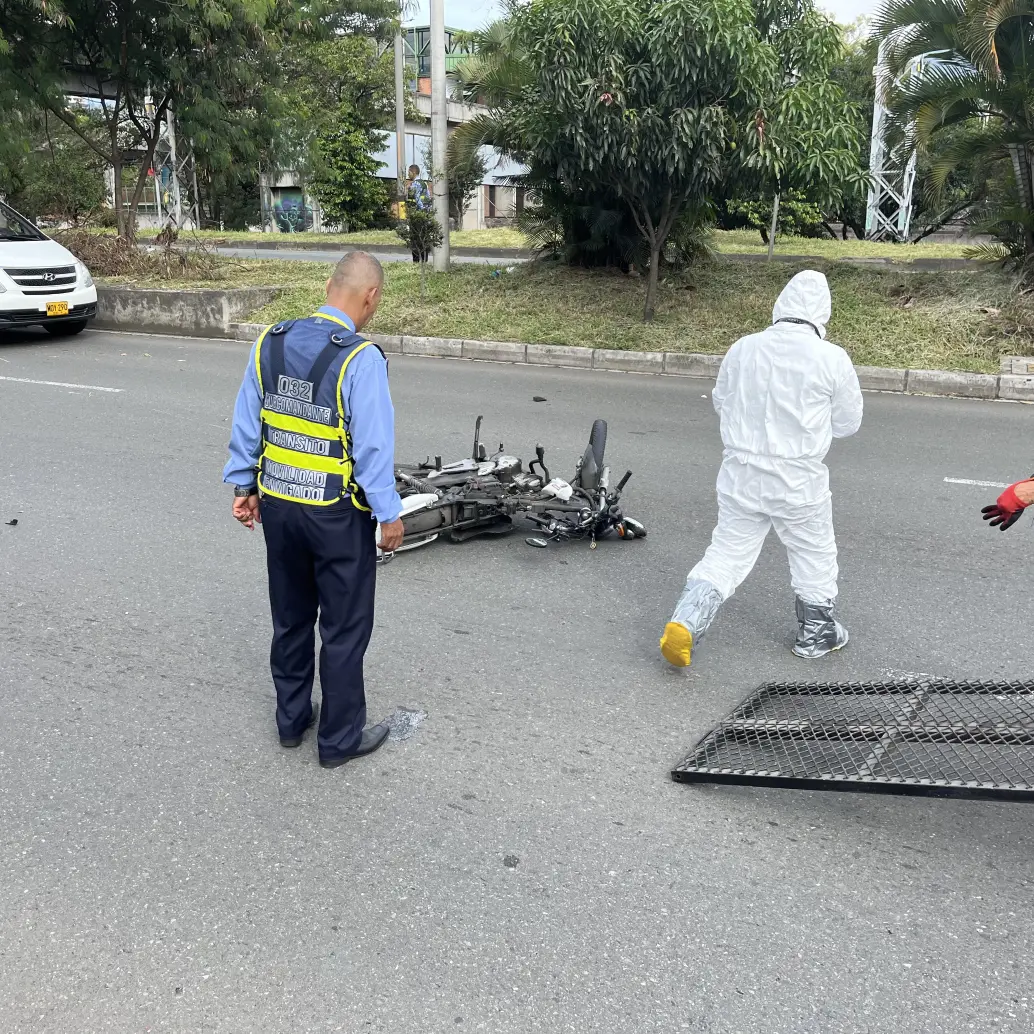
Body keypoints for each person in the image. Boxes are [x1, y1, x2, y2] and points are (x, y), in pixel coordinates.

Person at [223, 252, 405, 768]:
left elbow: (248, 420)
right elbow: (372, 451)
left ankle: (291, 720)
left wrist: (243, 484)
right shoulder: (359, 358)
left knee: (291, 617)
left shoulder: (270, 341)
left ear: (329, 285)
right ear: (370, 298)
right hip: (336, 516)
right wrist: (389, 515)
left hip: (278, 507)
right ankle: (338, 740)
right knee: (344, 629)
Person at [660, 269, 864, 668]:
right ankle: (816, 634)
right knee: (813, 552)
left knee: (727, 552)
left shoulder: (743, 348)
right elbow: (848, 423)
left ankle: (686, 620)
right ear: (822, 313)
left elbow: (721, 401)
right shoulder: (832, 358)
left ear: (780, 306)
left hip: (740, 472)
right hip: (797, 479)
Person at [404, 164, 432, 264]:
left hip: (416, 215)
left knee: (415, 239)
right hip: (425, 215)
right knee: (424, 238)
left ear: (413, 172)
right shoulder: (424, 183)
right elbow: (428, 199)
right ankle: (425, 260)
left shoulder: (415, 184)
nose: (408, 174)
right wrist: (427, 213)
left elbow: (417, 200)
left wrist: (417, 212)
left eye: (409, 172)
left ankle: (416, 261)